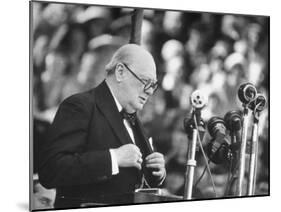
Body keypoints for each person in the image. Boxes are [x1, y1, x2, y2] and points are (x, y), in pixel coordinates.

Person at [38, 44, 166, 208]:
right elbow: (51, 170)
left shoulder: (135, 119)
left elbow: (134, 181)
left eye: (153, 85)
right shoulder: (80, 106)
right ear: (120, 72)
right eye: (145, 82)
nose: (149, 91)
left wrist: (157, 173)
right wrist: (114, 158)